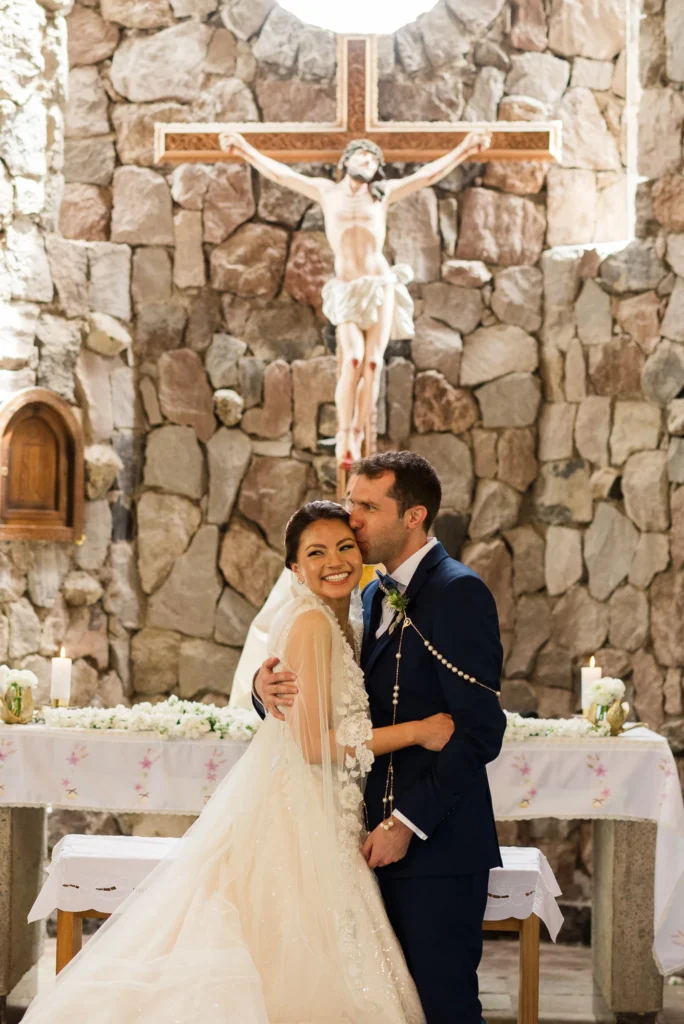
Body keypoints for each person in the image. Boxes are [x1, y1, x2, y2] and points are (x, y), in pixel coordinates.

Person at [22, 500, 467, 1024]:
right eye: (317, 553)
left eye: (345, 546)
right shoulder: (313, 624)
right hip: (301, 813)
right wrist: (419, 730)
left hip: (326, 806)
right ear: (294, 569)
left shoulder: (350, 611)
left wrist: (265, 684)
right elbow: (314, 744)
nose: (336, 561)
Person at [254, 451, 507, 1023]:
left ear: (414, 516)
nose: (353, 517)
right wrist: (261, 686)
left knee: (443, 1006)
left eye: (368, 506)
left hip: (433, 845)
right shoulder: (368, 594)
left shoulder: (459, 592)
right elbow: (329, 693)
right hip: (360, 843)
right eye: (351, 502)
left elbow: (480, 730)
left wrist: (406, 822)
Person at [218, 131, 491, 469]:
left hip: (379, 285)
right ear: (345, 161)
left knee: (373, 364)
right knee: (352, 360)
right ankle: (345, 431)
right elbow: (280, 174)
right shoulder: (326, 192)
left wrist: (465, 148)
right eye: (362, 155)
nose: (368, 161)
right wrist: (244, 148)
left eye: (374, 159)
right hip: (347, 289)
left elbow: (428, 175)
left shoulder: (382, 195)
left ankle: (359, 434)